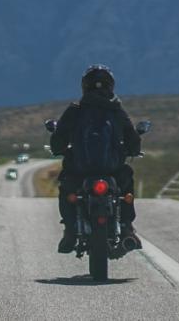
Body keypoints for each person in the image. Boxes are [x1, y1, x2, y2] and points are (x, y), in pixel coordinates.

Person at [49, 64, 142, 254]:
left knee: (66, 187)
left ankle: (70, 230)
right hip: (113, 169)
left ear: (85, 86)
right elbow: (133, 139)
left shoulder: (75, 110)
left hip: (79, 169)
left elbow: (58, 141)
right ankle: (126, 227)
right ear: (111, 86)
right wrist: (132, 150)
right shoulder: (117, 110)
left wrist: (60, 148)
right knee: (126, 185)